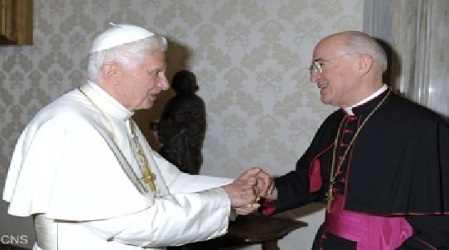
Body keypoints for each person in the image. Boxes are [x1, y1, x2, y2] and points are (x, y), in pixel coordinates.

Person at [2, 23, 273, 250]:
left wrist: (237, 188)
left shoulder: (115, 117)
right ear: (112, 72)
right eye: (155, 73)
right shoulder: (71, 125)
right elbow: (134, 223)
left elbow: (168, 182)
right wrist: (225, 198)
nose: (165, 84)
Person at [260, 31, 449, 249]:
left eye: (320, 65)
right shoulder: (336, 121)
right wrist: (268, 190)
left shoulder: (423, 127)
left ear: (363, 64)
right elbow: (310, 181)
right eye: (313, 69)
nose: (313, 77)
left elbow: (439, 229)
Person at [157, 69, 206, 175]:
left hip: (186, 148)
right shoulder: (172, 102)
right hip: (171, 146)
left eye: (185, 82)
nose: (182, 85)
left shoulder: (196, 102)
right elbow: (165, 120)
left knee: (185, 173)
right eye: (179, 82)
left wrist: (181, 126)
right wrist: (162, 126)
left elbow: (198, 125)